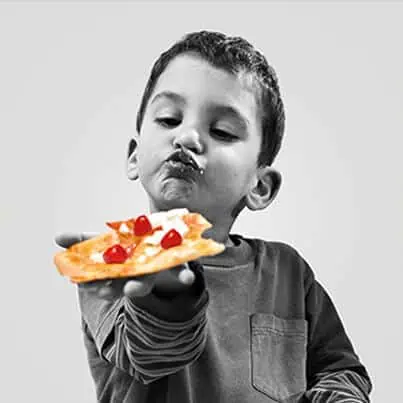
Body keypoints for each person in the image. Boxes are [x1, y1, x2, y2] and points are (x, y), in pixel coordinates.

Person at [56, 30, 372, 402]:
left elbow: (341, 370)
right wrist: (169, 297)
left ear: (260, 186)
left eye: (221, 131)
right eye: (169, 119)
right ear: (133, 155)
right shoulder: (111, 258)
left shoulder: (288, 272)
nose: (187, 137)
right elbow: (146, 356)